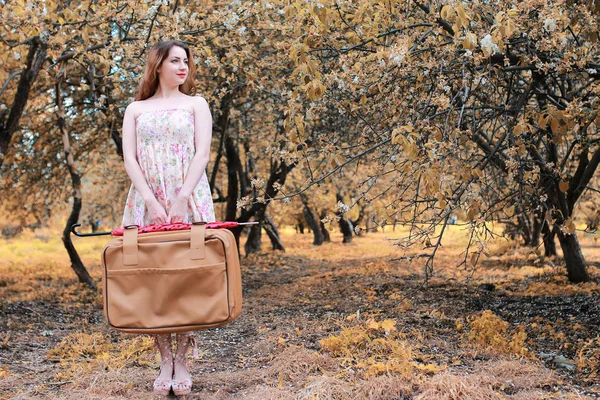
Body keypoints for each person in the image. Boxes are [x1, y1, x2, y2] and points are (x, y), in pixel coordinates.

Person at [120, 40, 216, 396]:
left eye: (186, 61)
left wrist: (182, 198)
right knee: (155, 278)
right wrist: (151, 199)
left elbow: (202, 152)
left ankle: (184, 360)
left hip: (188, 196)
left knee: (188, 277)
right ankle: (164, 359)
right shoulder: (135, 109)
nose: (183, 67)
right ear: (158, 65)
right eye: (175, 60)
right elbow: (130, 158)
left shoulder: (197, 104)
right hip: (147, 200)